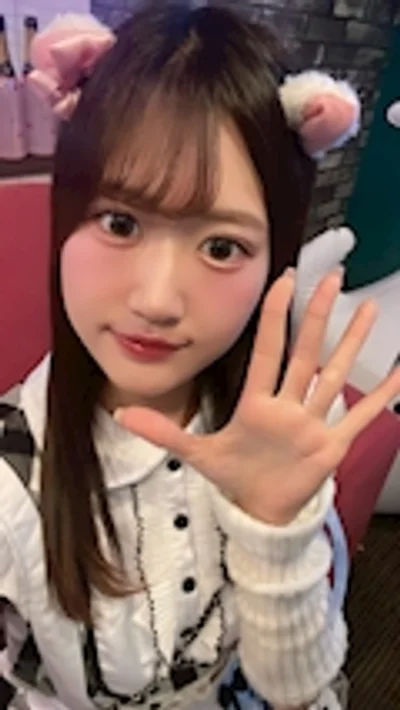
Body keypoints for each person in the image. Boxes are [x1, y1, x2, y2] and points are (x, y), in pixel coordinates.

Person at [0, 3, 398, 710]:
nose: (157, 300)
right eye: (120, 222)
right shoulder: (9, 477)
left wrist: (277, 534)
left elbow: (301, 692)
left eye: (220, 246)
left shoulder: (291, 431)